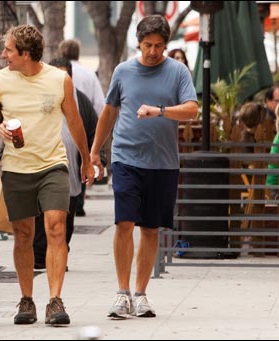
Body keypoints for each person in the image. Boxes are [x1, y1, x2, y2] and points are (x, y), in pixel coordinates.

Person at [0, 24, 94, 326]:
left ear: (25, 54)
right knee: (23, 234)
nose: (3, 55)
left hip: (52, 164)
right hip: (16, 167)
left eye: (8, 50)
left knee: (56, 226)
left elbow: (75, 121)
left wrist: (86, 159)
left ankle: (55, 300)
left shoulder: (59, 80)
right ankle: (27, 299)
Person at [89, 14, 197, 319]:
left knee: (150, 229)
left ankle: (141, 294)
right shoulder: (123, 71)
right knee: (124, 223)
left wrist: (159, 111)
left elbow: (191, 110)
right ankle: (122, 294)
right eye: (148, 45)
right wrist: (95, 152)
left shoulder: (177, 72)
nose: (153, 51)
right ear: (139, 43)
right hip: (126, 158)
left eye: (159, 46)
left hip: (162, 163)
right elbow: (109, 113)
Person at [33, 57, 102, 270]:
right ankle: (40, 255)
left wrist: (94, 160)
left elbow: (92, 130)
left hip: (72, 169)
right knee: (41, 216)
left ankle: (60, 250)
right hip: (42, 167)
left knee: (67, 217)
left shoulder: (80, 100)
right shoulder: (39, 98)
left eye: (64, 75)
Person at [58, 39, 106, 217]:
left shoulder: (53, 73)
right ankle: (78, 201)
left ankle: (73, 203)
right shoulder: (89, 74)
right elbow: (100, 106)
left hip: (68, 130)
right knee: (80, 166)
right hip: (85, 125)